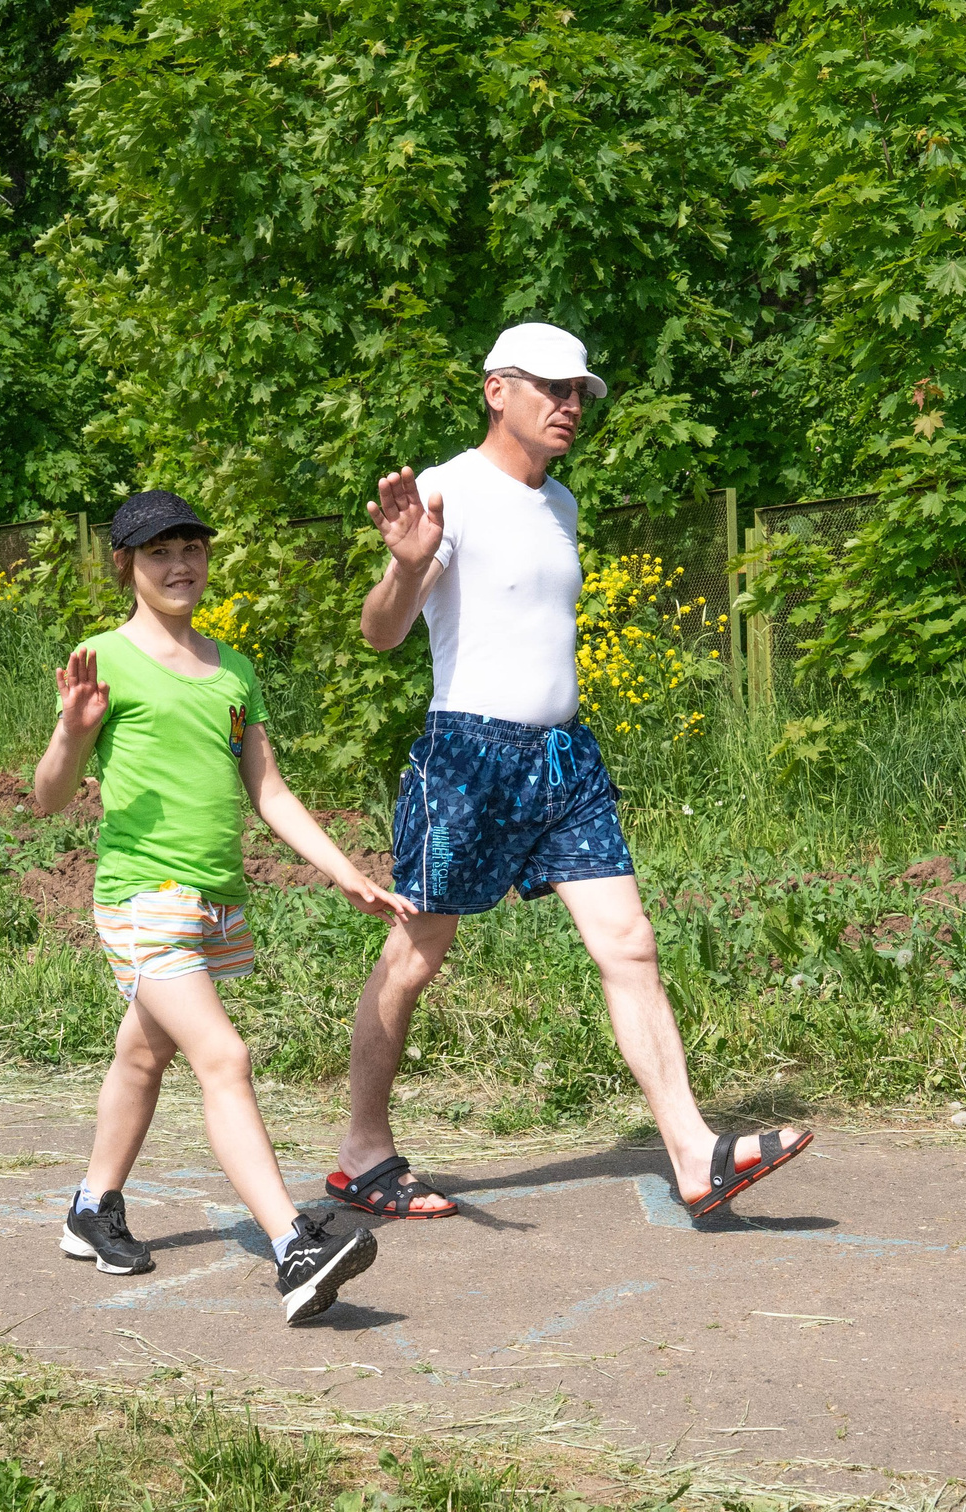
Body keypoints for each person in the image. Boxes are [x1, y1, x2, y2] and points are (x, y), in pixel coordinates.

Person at [331, 322, 812, 1223]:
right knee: (416, 951)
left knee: (630, 942)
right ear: (496, 390)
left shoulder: (564, 505)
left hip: (565, 756)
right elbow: (382, 632)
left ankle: (692, 1152)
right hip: (468, 757)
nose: (569, 405)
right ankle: (363, 1154)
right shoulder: (447, 490)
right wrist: (404, 567)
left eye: (579, 391)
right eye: (551, 388)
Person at [33, 489, 416, 1324]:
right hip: (142, 898)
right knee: (224, 1056)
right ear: (126, 565)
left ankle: (93, 1208)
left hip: (214, 900)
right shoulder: (102, 658)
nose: (179, 565)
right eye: (158, 552)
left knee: (144, 1055)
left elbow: (267, 788)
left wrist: (341, 869)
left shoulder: (233, 667)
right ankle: (293, 1248)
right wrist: (70, 731)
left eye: (191, 549)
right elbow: (46, 796)